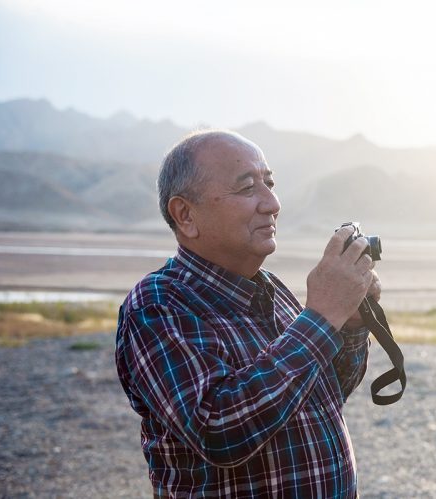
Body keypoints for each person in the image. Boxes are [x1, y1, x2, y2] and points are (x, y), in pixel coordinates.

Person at [115, 130, 380, 498]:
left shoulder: (272, 289)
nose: (272, 203)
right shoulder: (158, 305)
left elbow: (325, 393)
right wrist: (321, 316)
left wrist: (347, 323)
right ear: (185, 214)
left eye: (269, 184)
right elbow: (219, 430)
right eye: (247, 188)